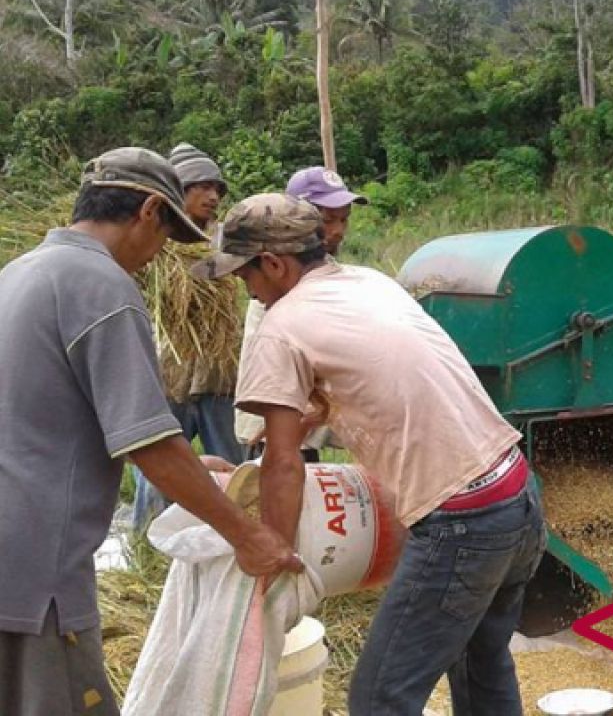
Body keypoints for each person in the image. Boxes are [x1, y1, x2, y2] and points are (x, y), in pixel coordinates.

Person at [194, 193, 545, 716]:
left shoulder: (281, 325)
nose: (251, 291)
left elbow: (285, 463)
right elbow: (383, 375)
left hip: (462, 522)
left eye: (247, 277)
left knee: (380, 698)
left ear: (273, 263)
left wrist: (271, 554)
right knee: (480, 661)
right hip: (518, 492)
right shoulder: (369, 281)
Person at [0, 149, 303, 716]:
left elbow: (51, 418)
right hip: (35, 572)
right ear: (149, 210)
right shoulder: (103, 287)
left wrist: (201, 475)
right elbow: (149, 444)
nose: (157, 255)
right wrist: (248, 535)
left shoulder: (20, 273)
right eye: (165, 235)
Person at [131, 143, 245, 530]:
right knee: (159, 469)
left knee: (233, 469)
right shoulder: (152, 240)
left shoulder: (229, 241)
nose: (212, 196)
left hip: (219, 377)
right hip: (168, 376)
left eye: (217, 188)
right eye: (201, 186)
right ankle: (149, 545)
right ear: (175, 190)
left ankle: (235, 540)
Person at [233, 166, 368, 460]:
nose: (338, 231)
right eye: (328, 219)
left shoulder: (322, 272)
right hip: (279, 424)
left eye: (344, 220)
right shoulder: (277, 281)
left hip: (305, 423)